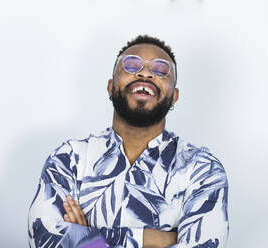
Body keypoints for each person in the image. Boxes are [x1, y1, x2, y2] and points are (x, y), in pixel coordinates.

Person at [28, 35, 229, 248]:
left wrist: (88, 238)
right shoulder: (68, 159)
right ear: (110, 87)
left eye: (160, 69)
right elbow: (43, 238)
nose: (144, 73)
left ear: (174, 96)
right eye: (131, 65)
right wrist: (155, 240)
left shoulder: (202, 170)